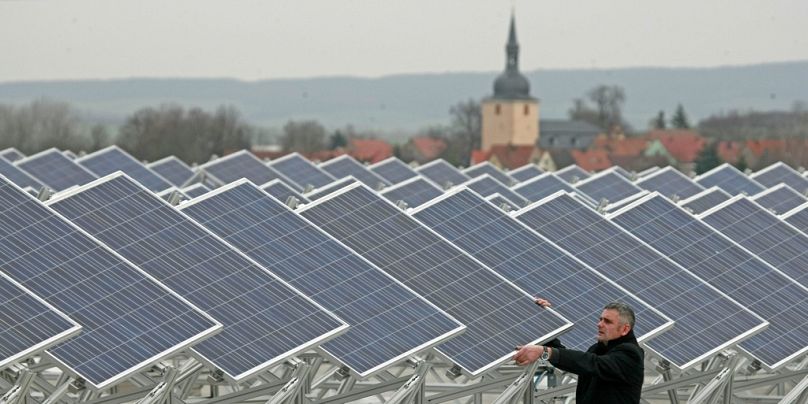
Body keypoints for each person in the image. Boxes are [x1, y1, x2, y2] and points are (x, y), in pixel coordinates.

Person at [512, 299, 644, 404]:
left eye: (608, 322)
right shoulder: (599, 348)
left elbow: (592, 363)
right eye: (600, 319)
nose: (600, 324)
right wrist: (547, 319)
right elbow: (575, 362)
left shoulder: (630, 354)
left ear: (625, 329)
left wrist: (545, 351)